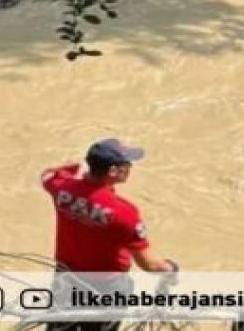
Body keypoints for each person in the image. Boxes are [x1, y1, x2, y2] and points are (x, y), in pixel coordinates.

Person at [40, 139, 178, 331]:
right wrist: (170, 268)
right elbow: (149, 264)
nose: (130, 167)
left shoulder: (61, 189)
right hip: (106, 286)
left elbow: (46, 175)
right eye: (127, 164)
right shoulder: (124, 213)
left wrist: (73, 168)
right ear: (113, 171)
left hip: (66, 277)